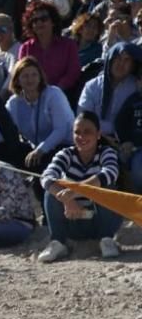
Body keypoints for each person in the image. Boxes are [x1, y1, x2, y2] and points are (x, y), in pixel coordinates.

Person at [37, 111, 122, 262]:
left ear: (98, 134)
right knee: (51, 192)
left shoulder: (106, 152)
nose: (81, 137)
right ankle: (58, 242)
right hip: (72, 219)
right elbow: (46, 176)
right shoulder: (65, 154)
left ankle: (107, 240)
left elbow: (110, 172)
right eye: (77, 132)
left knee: (108, 187)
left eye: (87, 132)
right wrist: (67, 199)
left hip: (101, 221)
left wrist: (73, 192)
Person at [0, 57, 74, 180]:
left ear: (40, 77)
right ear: (17, 80)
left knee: (45, 164)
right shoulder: (14, 103)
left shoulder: (53, 94)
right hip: (36, 151)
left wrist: (41, 150)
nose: (30, 79)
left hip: (62, 147)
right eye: (25, 76)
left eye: (34, 75)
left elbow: (61, 130)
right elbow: (3, 133)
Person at [77, 41, 142, 138]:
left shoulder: (136, 86)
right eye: (118, 58)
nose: (121, 64)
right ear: (110, 59)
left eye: (127, 60)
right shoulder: (92, 86)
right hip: (92, 138)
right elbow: (84, 119)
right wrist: (113, 128)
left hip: (127, 141)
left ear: (133, 65)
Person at [17, 1, 80, 95]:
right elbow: (22, 74)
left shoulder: (69, 45)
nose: (39, 23)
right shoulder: (26, 48)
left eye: (43, 19)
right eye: (35, 20)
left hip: (63, 95)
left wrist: (55, 91)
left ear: (53, 22)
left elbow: (73, 72)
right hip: (34, 96)